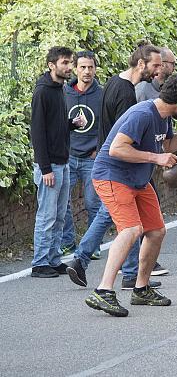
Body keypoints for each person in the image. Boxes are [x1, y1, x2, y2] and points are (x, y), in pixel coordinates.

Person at [84, 75, 177, 317]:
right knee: (131, 230)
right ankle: (103, 290)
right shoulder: (143, 114)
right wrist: (155, 158)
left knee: (156, 231)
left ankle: (141, 288)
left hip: (137, 179)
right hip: (112, 176)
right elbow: (117, 148)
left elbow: (166, 147)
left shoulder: (164, 117)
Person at [66, 43, 166, 290]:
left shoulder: (113, 82)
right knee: (130, 226)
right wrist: (148, 160)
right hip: (120, 168)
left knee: (108, 217)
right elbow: (124, 139)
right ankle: (130, 274)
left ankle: (81, 259)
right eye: (155, 65)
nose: (157, 71)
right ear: (141, 64)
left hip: (111, 165)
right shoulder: (126, 94)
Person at [30, 47, 86, 278]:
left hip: (62, 162)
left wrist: (72, 123)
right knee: (47, 216)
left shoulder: (60, 88)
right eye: (65, 63)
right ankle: (40, 263)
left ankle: (53, 260)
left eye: (70, 62)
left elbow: (56, 125)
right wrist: (45, 168)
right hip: (50, 166)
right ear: (52, 65)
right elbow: (38, 132)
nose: (69, 67)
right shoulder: (43, 91)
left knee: (60, 215)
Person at [60, 51, 104, 259]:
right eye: (83, 67)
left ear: (95, 69)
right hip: (68, 156)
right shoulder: (64, 92)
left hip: (91, 158)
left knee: (92, 203)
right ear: (76, 69)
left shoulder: (102, 95)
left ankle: (93, 246)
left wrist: (99, 149)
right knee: (63, 202)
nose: (87, 71)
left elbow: (108, 125)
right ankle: (67, 242)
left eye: (91, 67)